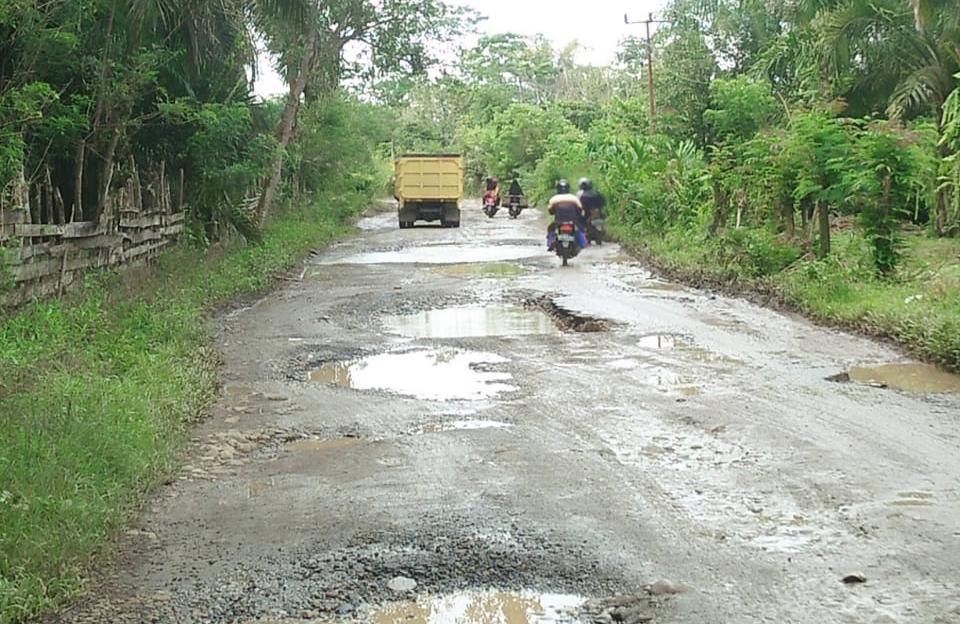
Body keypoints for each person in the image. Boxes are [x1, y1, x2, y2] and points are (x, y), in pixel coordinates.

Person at [546, 179, 586, 251]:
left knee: (550, 229)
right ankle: (582, 244)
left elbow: (550, 210)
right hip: (572, 221)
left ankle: (550, 243)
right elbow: (580, 208)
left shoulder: (554, 198)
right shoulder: (574, 198)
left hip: (558, 221)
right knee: (581, 229)